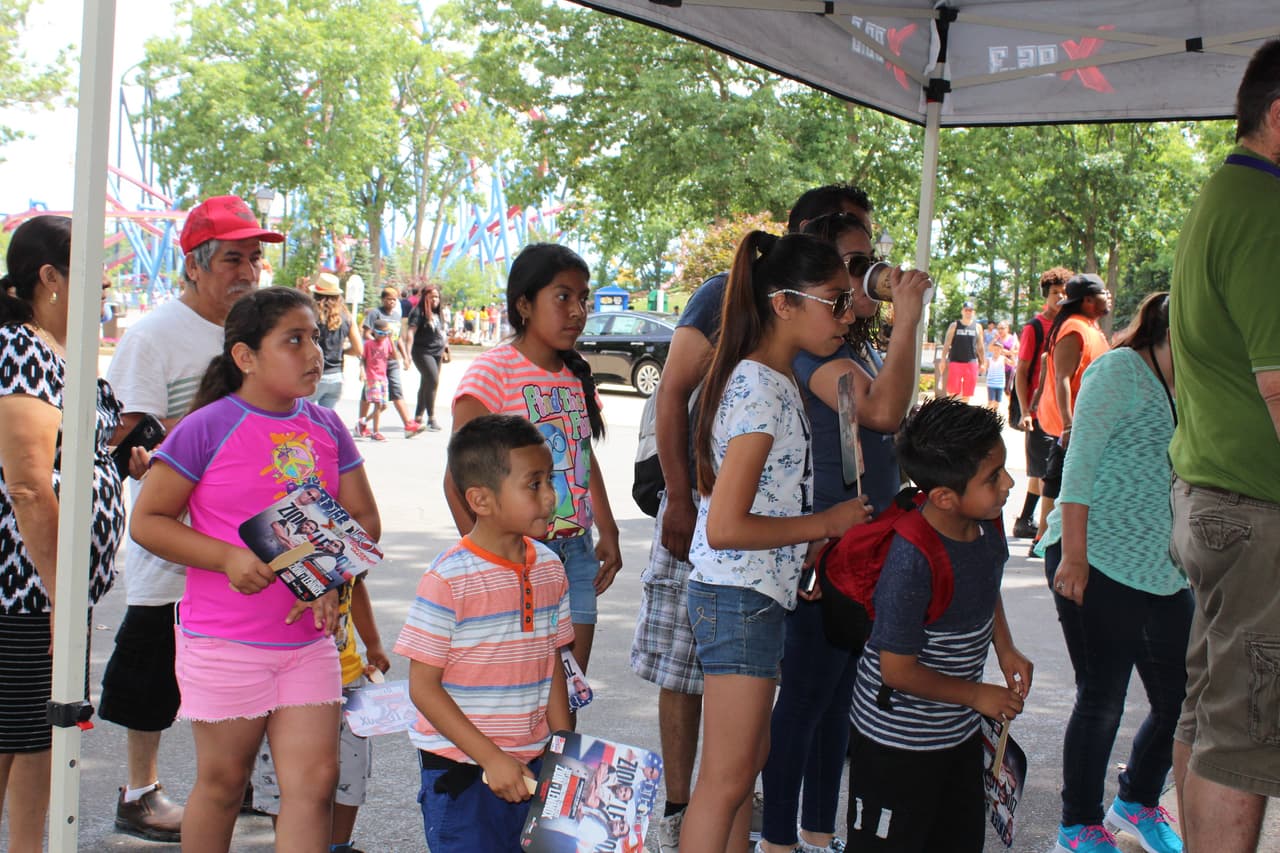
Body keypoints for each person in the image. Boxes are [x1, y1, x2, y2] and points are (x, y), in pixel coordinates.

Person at [630, 183, 876, 853]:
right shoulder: (763, 386)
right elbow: (727, 525)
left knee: (740, 772)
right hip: (736, 599)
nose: (848, 313)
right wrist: (825, 524)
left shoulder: (767, 377)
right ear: (784, 303)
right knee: (726, 778)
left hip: (750, 595)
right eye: (833, 301)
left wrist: (802, 558)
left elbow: (753, 510)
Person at [130, 286, 380, 853]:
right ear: (245, 357)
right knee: (223, 785)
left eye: (315, 337)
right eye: (294, 339)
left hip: (309, 644)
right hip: (224, 644)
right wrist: (226, 557)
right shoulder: (207, 426)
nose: (313, 351)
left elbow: (364, 519)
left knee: (314, 785)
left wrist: (326, 575)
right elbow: (149, 520)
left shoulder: (327, 426)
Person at [98, 194, 285, 842]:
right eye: (234, 257)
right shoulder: (153, 335)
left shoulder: (256, 332)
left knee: (253, 661)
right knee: (150, 672)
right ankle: (139, 790)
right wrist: (201, 436)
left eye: (255, 257)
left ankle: (243, 784)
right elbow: (123, 442)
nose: (249, 270)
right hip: (177, 547)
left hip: (255, 540)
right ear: (195, 264)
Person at [757, 210, 932, 853]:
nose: (870, 277)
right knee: (804, 701)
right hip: (824, 548)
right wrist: (909, 313)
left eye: (869, 261)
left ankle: (818, 831)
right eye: (854, 266)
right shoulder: (812, 350)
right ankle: (777, 839)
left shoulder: (849, 345)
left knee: (836, 705)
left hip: (861, 544)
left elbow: (897, 407)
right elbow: (883, 412)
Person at [1168, 38, 1280, 853]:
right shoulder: (1265, 211)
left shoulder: (1222, 195)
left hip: (1215, 500)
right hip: (1253, 506)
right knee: (1246, 736)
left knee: (1214, 716)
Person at [1037, 293, 1188, 853]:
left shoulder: (1193, 386)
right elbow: (1079, 463)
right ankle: (1078, 825)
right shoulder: (1119, 370)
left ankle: (1137, 801)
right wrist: (1072, 554)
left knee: (1183, 696)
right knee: (1103, 697)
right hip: (1095, 557)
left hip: (1164, 569)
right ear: (1175, 331)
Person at [846, 397, 1031, 852]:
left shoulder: (986, 523)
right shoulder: (912, 559)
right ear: (945, 497)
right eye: (993, 478)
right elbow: (897, 671)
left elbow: (987, 588)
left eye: (1003, 470)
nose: (1008, 483)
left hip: (955, 733)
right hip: (896, 743)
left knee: (958, 838)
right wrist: (977, 695)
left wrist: (1005, 649)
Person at [0, 216, 126, 853]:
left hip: (45, 591)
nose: (106, 282)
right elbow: (27, 483)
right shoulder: (21, 350)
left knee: (35, 736)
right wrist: (62, 598)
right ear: (48, 277)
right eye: (92, 268)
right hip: (23, 591)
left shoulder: (56, 346)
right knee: (12, 735)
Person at [395, 414, 574, 851]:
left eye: (549, 480)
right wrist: (492, 758)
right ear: (481, 499)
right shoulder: (449, 580)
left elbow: (551, 661)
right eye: (533, 485)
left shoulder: (550, 567)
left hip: (534, 764)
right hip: (463, 770)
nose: (551, 496)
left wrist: (566, 749)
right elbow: (423, 687)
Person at [444, 243, 622, 676]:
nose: (577, 311)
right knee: (520, 689)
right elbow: (457, 480)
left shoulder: (574, 376)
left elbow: (583, 456)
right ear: (524, 304)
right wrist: (489, 557)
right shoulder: (493, 372)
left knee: (569, 691)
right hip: (516, 555)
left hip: (576, 555)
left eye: (582, 298)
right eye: (562, 297)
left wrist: (609, 527)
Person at [251, 572, 391, 853]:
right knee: (284, 775)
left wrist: (373, 644)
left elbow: (357, 584)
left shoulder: (345, 543)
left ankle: (339, 845)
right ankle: (291, 843)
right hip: (291, 683)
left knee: (351, 770)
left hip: (347, 677)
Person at [1035, 273, 1112, 541]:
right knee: (1058, 481)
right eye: (1104, 292)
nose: (1109, 295)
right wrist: (1069, 424)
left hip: (1090, 424)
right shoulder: (1074, 328)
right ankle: (1045, 536)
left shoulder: (1089, 326)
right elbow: (1062, 378)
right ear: (1089, 300)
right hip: (1074, 427)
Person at [1011, 267, 1071, 542]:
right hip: (1038, 411)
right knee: (1045, 471)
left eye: (1064, 292)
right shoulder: (1034, 328)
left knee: (1044, 470)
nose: (1060, 297)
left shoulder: (1067, 325)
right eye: (1055, 293)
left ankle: (1026, 521)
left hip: (1060, 412)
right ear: (1046, 295)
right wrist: (1025, 411)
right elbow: (1021, 372)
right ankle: (1036, 528)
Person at [358, 286, 422, 437]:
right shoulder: (375, 313)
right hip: (374, 359)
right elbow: (366, 332)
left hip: (390, 359)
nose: (392, 302)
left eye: (394, 299)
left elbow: (398, 338)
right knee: (367, 394)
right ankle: (362, 424)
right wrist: (378, 343)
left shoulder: (396, 316)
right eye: (389, 299)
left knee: (396, 388)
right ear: (383, 299)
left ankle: (408, 424)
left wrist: (405, 356)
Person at [309, 272, 362, 409]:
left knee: (302, 421)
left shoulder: (310, 316)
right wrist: (342, 351)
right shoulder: (347, 317)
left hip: (311, 375)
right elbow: (358, 349)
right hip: (336, 377)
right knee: (325, 423)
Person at [404, 283, 450, 432]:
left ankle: (418, 416)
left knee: (426, 383)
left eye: (437, 297)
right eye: (432, 297)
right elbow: (410, 333)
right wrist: (407, 354)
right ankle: (431, 418)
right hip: (422, 352)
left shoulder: (438, 313)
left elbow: (441, 332)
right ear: (425, 298)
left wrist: (446, 348)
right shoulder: (418, 312)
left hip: (437, 351)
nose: (435, 300)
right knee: (433, 380)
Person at [936, 302, 986, 403]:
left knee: (967, 393)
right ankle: (953, 414)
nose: (968, 312)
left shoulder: (977, 327)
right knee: (953, 393)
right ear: (962, 311)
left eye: (970, 310)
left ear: (973, 312)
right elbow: (947, 344)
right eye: (966, 310)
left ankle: (964, 414)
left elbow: (980, 346)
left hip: (971, 362)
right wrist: (942, 360)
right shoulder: (954, 326)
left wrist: (983, 362)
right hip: (955, 361)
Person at [355, 319, 394, 441]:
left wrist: (391, 339)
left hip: (383, 378)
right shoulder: (368, 344)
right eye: (381, 333)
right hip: (372, 378)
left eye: (386, 333)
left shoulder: (387, 342)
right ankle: (376, 432)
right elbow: (362, 359)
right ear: (374, 332)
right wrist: (362, 372)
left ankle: (363, 422)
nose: (383, 336)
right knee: (377, 404)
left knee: (383, 406)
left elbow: (394, 356)